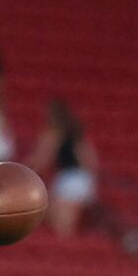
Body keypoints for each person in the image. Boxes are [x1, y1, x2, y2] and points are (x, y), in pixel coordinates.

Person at [27, 98, 99, 236]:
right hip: (80, 179)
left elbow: (42, 159)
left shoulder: (55, 135)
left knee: (63, 225)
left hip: (70, 181)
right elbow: (90, 161)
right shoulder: (78, 137)